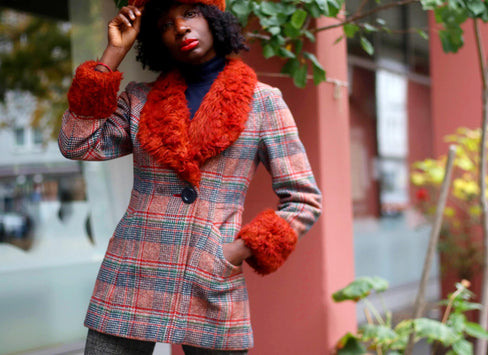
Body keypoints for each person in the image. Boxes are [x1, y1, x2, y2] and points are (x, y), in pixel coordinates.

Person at [59, 0, 322, 353]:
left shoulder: (264, 103)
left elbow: (304, 198)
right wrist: (114, 53)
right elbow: (78, 144)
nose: (180, 27)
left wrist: (234, 251)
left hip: (210, 275)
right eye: (166, 24)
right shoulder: (139, 99)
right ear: (156, 40)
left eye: (190, 13)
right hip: (133, 272)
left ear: (213, 16)